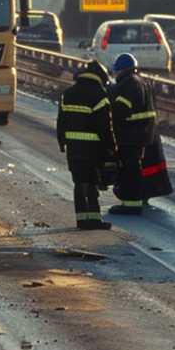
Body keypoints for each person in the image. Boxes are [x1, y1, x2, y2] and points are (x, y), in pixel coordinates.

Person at [56, 60, 116, 230]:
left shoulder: (68, 93)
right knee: (91, 182)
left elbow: (61, 121)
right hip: (93, 148)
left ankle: (82, 219)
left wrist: (62, 142)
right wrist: (111, 148)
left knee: (79, 181)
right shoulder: (99, 96)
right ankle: (95, 220)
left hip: (73, 148)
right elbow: (105, 127)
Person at [108, 53, 157, 215]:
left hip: (130, 134)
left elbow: (120, 110)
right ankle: (133, 200)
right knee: (134, 167)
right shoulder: (142, 82)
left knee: (130, 169)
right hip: (142, 133)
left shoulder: (128, 85)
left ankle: (131, 204)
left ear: (121, 70)